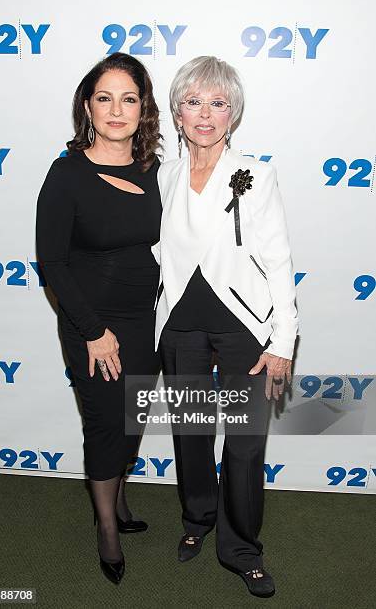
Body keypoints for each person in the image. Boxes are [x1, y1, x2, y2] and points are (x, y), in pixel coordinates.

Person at [154, 56, 298, 598]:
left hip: (244, 328)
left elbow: (279, 260)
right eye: (194, 102)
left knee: (242, 442)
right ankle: (197, 521)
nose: (206, 114)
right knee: (190, 434)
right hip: (180, 327)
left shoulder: (256, 174)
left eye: (218, 103)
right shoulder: (164, 173)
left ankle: (240, 548)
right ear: (177, 111)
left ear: (233, 113)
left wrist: (282, 340)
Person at [36, 52, 162, 584]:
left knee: (132, 420)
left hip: (145, 321)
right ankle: (107, 527)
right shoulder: (67, 174)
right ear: (88, 106)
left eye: (128, 99)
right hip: (94, 326)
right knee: (106, 422)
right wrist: (94, 332)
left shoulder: (157, 170)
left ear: (143, 108)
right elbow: (52, 262)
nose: (116, 110)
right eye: (104, 98)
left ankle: (121, 499)